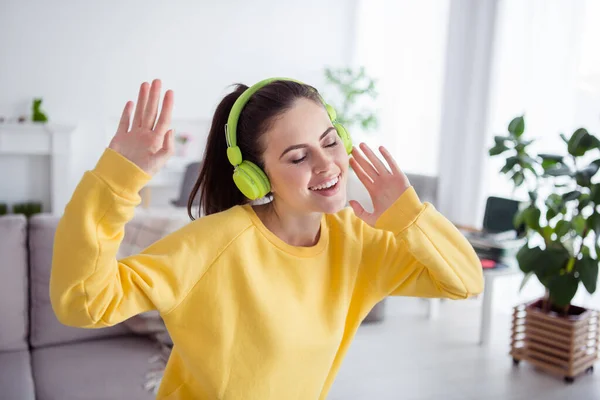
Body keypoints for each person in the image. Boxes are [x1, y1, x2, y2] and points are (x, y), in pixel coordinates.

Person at [50, 78, 484, 399]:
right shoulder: (215, 244)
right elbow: (83, 302)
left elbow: (465, 283)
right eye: (298, 156)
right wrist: (118, 178)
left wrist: (408, 213)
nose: (326, 164)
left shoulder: (360, 242)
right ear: (255, 177)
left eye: (330, 141)